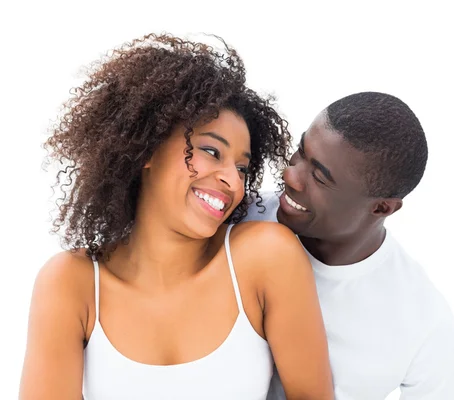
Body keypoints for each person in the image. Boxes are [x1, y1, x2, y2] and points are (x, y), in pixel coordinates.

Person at [19, 34, 333, 400]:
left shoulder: (264, 258)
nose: (232, 181)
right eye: (211, 151)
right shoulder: (71, 284)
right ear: (147, 149)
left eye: (243, 168)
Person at [245, 92, 454, 399]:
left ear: (381, 208)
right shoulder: (238, 216)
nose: (291, 175)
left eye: (319, 177)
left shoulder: (420, 318)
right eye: (301, 151)